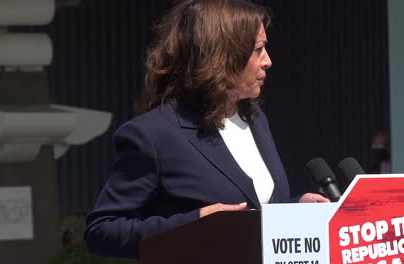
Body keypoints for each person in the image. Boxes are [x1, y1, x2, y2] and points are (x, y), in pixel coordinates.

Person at [84, 0, 329, 259]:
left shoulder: (256, 118)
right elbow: (102, 232)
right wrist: (195, 223)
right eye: (258, 50)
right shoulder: (153, 135)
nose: (268, 61)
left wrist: (294, 208)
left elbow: (252, 213)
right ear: (222, 56)